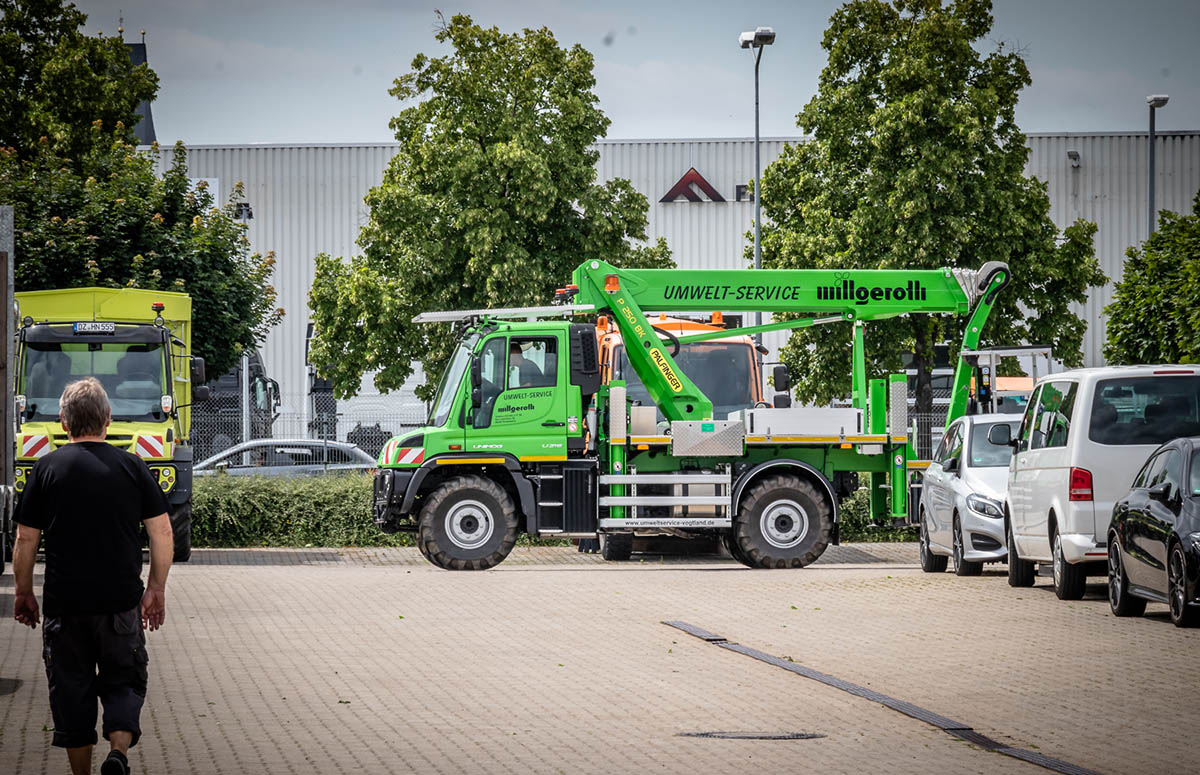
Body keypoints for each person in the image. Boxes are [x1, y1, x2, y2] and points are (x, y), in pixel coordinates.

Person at [12, 377, 174, 775]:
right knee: (124, 682)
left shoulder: (46, 469)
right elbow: (163, 532)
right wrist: (155, 588)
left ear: (64, 421)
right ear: (108, 417)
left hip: (66, 607)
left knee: (72, 694)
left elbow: (25, 538)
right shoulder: (133, 466)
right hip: (120, 603)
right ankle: (117, 754)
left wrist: (23, 592)